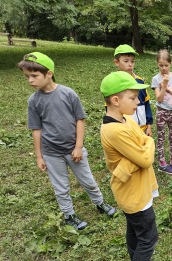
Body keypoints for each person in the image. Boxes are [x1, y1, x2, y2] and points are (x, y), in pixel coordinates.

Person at [17, 52, 118, 230]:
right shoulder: (34, 101)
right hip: (51, 153)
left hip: (74, 150)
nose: (30, 80)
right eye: (27, 77)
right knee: (61, 187)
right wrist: (39, 157)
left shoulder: (67, 93)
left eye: (34, 76)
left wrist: (78, 146)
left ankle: (100, 203)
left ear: (49, 73)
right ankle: (69, 215)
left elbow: (80, 119)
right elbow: (36, 129)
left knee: (88, 180)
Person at [100, 71, 166, 261]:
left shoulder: (125, 119)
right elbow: (146, 157)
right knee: (148, 236)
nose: (138, 102)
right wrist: (147, 144)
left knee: (134, 232)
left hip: (139, 186)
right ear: (116, 100)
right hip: (132, 193)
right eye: (133, 97)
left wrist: (142, 145)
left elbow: (141, 142)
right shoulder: (114, 130)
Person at [151, 49, 172, 175]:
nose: (164, 68)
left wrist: (169, 89)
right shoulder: (155, 79)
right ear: (157, 64)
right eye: (161, 65)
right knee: (161, 137)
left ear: (171, 63)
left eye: (166, 65)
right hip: (161, 112)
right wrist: (164, 85)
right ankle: (162, 163)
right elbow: (159, 98)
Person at [113, 44, 153, 136]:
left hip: (142, 129)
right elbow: (110, 108)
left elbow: (146, 103)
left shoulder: (139, 81)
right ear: (116, 62)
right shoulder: (114, 83)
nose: (130, 64)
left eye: (132, 61)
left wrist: (149, 126)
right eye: (126, 61)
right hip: (125, 131)